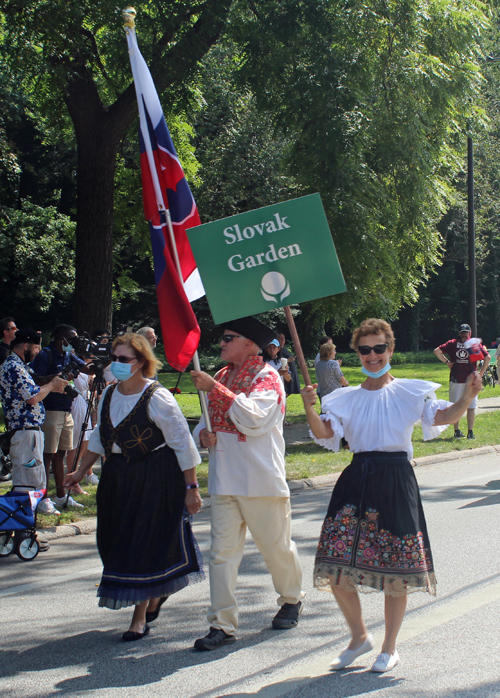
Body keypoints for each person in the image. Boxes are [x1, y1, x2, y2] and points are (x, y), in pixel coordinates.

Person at [301, 318, 482, 673]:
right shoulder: (344, 398)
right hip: (357, 479)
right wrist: (310, 405)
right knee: (335, 566)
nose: (372, 355)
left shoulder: (411, 391)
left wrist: (470, 396)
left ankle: (389, 647)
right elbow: (325, 431)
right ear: (357, 353)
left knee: (396, 569)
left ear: (390, 349)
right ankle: (358, 638)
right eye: (365, 349)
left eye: (379, 348)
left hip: (397, 478)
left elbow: (443, 415)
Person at [64, 333, 203, 641]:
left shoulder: (158, 397)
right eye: (114, 358)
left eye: (123, 359)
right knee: (113, 540)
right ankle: (155, 592)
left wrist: (191, 487)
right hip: (116, 476)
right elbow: (101, 438)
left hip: (154, 476)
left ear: (141, 362)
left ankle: (139, 617)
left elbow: (182, 444)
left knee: (141, 541)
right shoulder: (109, 395)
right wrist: (78, 471)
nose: (116, 364)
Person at [190, 316, 304, 651]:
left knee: (276, 548)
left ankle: (291, 598)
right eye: (223, 338)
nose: (221, 343)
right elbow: (205, 423)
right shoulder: (223, 375)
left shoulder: (267, 376)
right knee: (221, 555)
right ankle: (221, 624)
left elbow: (255, 419)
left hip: (260, 480)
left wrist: (216, 390)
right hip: (224, 480)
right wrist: (204, 435)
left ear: (249, 343)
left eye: (229, 338)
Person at [0, 329, 68, 550]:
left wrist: (53, 383)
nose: (38, 352)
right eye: (36, 347)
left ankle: (21, 530)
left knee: (33, 481)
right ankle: (22, 533)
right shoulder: (14, 367)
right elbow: (31, 397)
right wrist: (51, 386)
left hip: (29, 431)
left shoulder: (20, 367)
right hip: (24, 431)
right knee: (27, 482)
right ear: (26, 345)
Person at [31, 324, 89, 513]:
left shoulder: (68, 355)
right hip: (50, 410)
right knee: (48, 455)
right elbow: (36, 379)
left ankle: (61, 495)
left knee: (61, 454)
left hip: (66, 410)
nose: (73, 343)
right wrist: (56, 377)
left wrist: (106, 358)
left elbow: (86, 368)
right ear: (61, 338)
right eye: (71, 339)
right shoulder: (45, 355)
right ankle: (43, 498)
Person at [434, 323, 489, 439]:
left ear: (459, 333)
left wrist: (447, 362)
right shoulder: (473, 343)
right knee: (471, 407)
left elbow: (437, 351)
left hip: (456, 378)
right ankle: (470, 432)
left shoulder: (453, 343)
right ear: (470, 333)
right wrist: (481, 372)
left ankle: (457, 431)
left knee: (455, 406)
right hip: (471, 379)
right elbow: (487, 357)